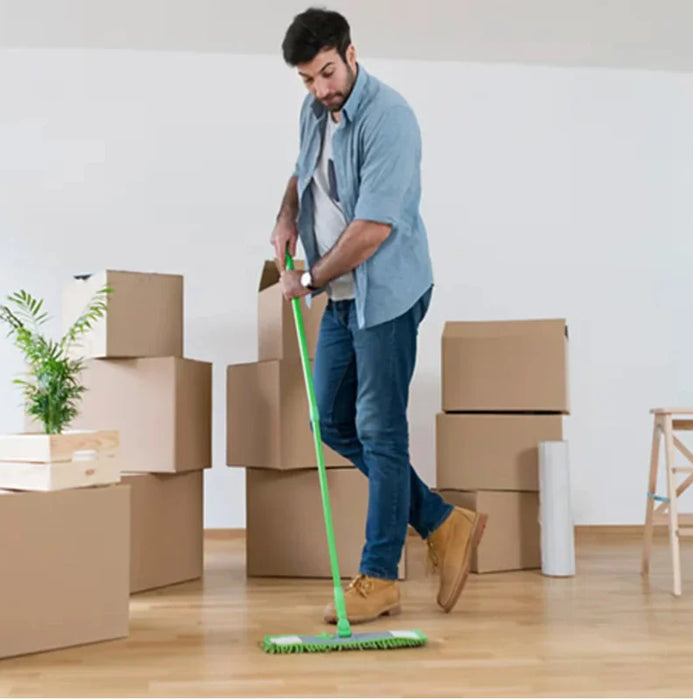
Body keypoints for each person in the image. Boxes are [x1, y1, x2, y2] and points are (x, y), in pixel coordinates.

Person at [270, 7, 487, 625]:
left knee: (381, 431)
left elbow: (372, 230)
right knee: (333, 420)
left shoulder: (390, 119)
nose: (321, 89)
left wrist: (307, 279)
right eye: (309, 79)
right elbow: (300, 169)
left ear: (351, 53)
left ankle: (381, 576)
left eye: (328, 73)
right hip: (340, 296)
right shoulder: (315, 111)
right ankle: (444, 522)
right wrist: (287, 213)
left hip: (384, 294)